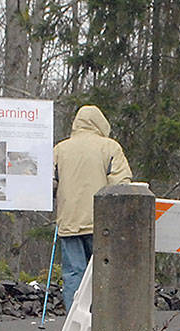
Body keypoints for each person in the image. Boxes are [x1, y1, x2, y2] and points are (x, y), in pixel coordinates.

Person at [53, 105, 132, 312]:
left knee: (73, 274)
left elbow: (50, 183)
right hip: (102, 222)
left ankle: (74, 322)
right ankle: (102, 321)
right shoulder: (110, 147)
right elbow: (121, 183)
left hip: (69, 221)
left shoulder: (61, 149)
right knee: (102, 273)